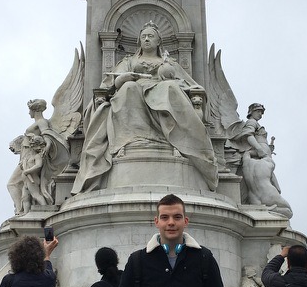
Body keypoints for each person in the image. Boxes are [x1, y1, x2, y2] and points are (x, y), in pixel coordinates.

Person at [71, 21, 218, 195]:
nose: (147, 39)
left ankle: (173, 140)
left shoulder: (168, 61)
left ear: (158, 41)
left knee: (170, 88)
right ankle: (132, 140)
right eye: (143, 36)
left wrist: (169, 74)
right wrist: (124, 78)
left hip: (161, 90)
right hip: (133, 91)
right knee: (129, 88)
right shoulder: (129, 61)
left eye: (151, 36)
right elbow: (110, 84)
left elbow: (187, 84)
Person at [227, 103, 292, 219]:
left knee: (272, 185)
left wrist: (267, 149)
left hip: (263, 155)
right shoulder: (251, 122)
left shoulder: (256, 123)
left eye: (262, 112)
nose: (260, 115)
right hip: (260, 155)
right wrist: (259, 149)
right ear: (251, 112)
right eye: (258, 111)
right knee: (269, 185)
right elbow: (248, 136)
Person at [7, 99, 69, 215]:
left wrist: (47, 146)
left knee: (12, 184)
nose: (28, 113)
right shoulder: (37, 123)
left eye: (29, 110)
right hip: (26, 158)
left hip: (30, 159)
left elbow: (47, 135)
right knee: (17, 185)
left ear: (34, 109)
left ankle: (21, 211)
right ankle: (21, 211)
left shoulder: (41, 122)